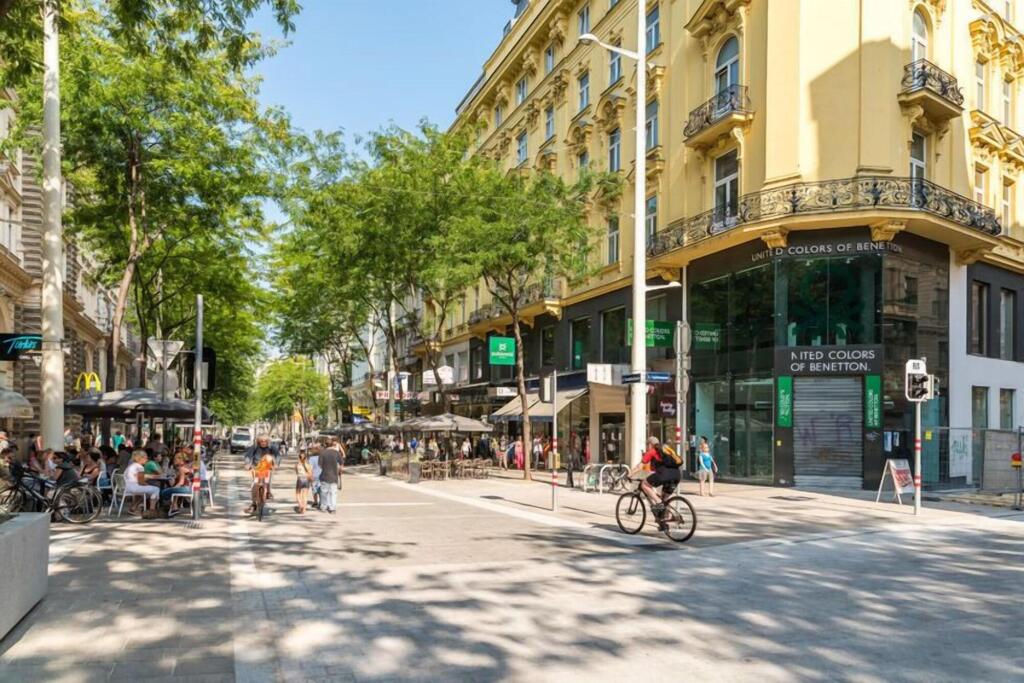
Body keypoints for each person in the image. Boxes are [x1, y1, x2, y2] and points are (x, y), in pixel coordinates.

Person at [630, 436, 682, 527]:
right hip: (676, 475)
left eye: (647, 444)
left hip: (664, 474)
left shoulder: (652, 451)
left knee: (644, 484)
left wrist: (629, 474)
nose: (647, 446)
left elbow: (640, 466)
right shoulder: (666, 449)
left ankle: (658, 502)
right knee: (664, 500)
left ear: (650, 444)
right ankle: (666, 517)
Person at [123, 450, 161, 516]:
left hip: (127, 487)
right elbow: (141, 482)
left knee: (146, 492)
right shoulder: (140, 467)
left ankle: (133, 508)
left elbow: (136, 477)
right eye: (146, 458)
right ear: (140, 458)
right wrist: (147, 484)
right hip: (134, 487)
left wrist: (147, 481)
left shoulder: (131, 466)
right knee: (156, 489)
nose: (147, 459)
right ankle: (152, 510)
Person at [244, 435, 280, 500]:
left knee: (268, 482)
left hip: (268, 468)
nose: (263, 442)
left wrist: (277, 464)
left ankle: (268, 492)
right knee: (255, 484)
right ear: (258, 442)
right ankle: (253, 503)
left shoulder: (271, 447)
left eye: (265, 441)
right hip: (256, 467)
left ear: (268, 442)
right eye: (262, 441)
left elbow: (277, 455)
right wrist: (247, 464)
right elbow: (248, 456)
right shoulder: (255, 447)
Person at [318, 439, 343, 515]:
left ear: (325, 445)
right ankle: (332, 508)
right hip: (334, 476)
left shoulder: (322, 453)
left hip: (324, 475)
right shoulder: (336, 453)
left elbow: (319, 465)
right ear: (333, 445)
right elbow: (341, 464)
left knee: (324, 492)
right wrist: (339, 471)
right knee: (333, 493)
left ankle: (323, 507)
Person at [248, 450, 275, 515]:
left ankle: (255, 502)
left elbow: (272, 466)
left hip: (264, 472)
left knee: (256, 485)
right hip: (260, 472)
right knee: (256, 485)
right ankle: (254, 503)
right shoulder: (260, 457)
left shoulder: (268, 457)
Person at [308, 443, 322, 510]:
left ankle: (315, 502)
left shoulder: (311, 458)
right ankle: (321, 502)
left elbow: (310, 468)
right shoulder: (322, 457)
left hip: (314, 476)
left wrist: (310, 475)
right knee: (321, 489)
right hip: (322, 475)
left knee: (314, 490)